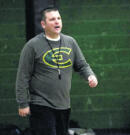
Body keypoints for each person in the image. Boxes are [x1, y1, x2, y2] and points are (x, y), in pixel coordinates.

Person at [16, 7, 98, 135]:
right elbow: (22, 76)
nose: (57, 22)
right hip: (40, 104)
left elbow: (82, 65)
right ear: (43, 24)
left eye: (59, 18)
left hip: (64, 105)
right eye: (52, 19)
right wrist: (23, 103)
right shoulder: (32, 46)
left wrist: (90, 76)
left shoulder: (70, 42)